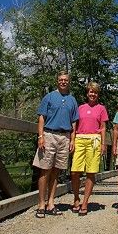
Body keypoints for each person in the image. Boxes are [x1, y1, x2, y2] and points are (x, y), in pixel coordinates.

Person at [32, 71, 78, 218]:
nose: (63, 82)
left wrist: (72, 139)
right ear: (57, 81)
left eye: (65, 80)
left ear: (69, 82)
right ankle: (41, 204)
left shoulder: (72, 100)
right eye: (60, 80)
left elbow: (74, 121)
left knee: (56, 171)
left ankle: (51, 203)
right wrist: (40, 136)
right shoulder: (49, 97)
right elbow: (41, 117)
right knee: (44, 170)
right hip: (49, 135)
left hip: (64, 137)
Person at [70, 82, 108, 216]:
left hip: (94, 140)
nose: (93, 94)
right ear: (87, 93)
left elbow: (103, 127)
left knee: (90, 172)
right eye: (91, 92)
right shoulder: (80, 108)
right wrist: (72, 140)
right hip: (80, 138)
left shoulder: (101, 108)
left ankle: (85, 202)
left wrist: (103, 144)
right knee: (75, 171)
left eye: (95, 92)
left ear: (98, 94)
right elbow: (74, 125)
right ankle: (76, 198)